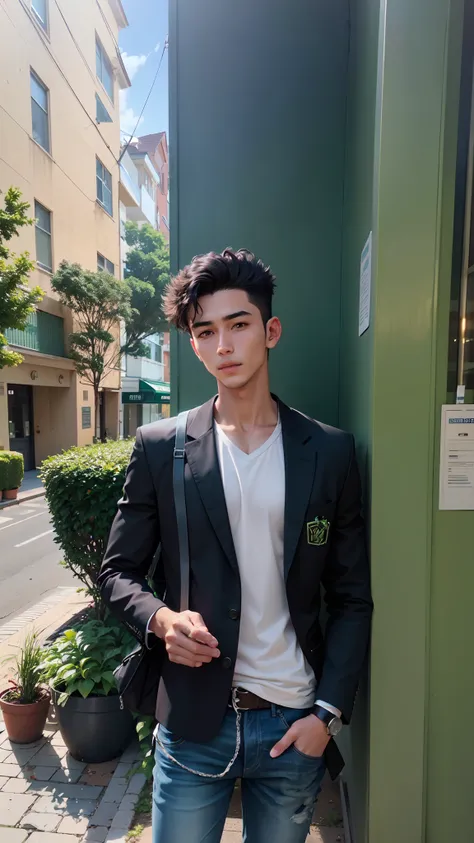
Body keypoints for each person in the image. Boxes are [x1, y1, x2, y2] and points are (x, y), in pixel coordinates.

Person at [99, 248, 373, 843]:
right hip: (197, 720)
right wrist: (161, 619)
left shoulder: (327, 453)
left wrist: (326, 715)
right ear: (194, 345)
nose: (223, 345)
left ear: (270, 331)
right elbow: (117, 572)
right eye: (206, 331)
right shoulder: (160, 447)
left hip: (293, 723)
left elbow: (351, 597)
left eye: (238, 324)